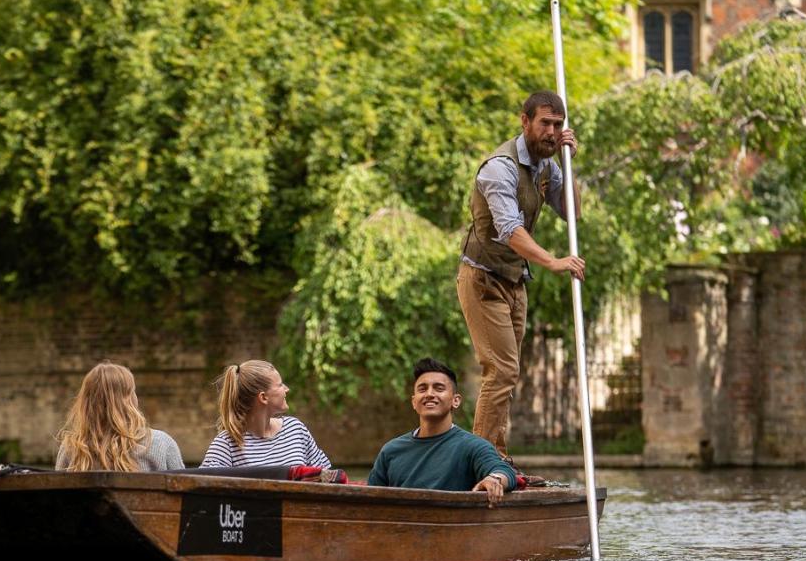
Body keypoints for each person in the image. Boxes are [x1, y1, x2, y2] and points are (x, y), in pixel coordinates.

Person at [457, 89, 585, 461]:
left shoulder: (548, 165)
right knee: (501, 370)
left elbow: (572, 213)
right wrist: (553, 261)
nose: (551, 131)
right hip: (482, 278)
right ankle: (482, 460)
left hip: (514, 281)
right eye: (545, 123)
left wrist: (569, 162)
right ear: (525, 121)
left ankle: (495, 453)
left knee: (507, 375)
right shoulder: (500, 167)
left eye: (558, 125)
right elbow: (509, 228)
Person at [367, 358, 517, 504]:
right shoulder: (391, 450)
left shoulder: (473, 446)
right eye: (422, 389)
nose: (429, 394)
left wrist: (494, 479)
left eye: (439, 388)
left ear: (455, 400)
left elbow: (503, 471)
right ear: (414, 401)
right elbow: (369, 500)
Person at [54, 361, 185, 472]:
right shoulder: (161, 443)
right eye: (133, 391)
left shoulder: (71, 449)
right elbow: (186, 492)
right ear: (130, 400)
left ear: (85, 403)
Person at [199, 360, 331, 469]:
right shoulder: (226, 444)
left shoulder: (296, 429)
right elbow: (201, 490)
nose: (287, 389)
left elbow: (328, 478)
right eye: (280, 385)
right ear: (263, 397)